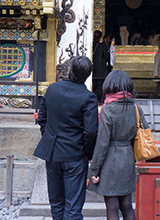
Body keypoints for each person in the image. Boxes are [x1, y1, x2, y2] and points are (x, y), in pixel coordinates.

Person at [34, 56, 99, 220]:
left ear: (70, 71)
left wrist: (50, 137)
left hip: (52, 153)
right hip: (74, 154)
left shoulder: (52, 89)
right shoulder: (88, 97)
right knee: (73, 206)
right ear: (87, 75)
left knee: (56, 203)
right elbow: (90, 131)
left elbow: (42, 119)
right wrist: (88, 152)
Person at [88, 70, 148, 220]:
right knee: (127, 204)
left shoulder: (108, 109)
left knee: (112, 206)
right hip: (128, 157)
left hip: (110, 160)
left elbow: (102, 143)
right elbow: (144, 131)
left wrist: (94, 170)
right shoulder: (135, 108)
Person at [92, 31, 111, 102]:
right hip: (101, 70)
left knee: (94, 86)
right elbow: (106, 56)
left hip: (93, 70)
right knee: (99, 87)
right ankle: (98, 100)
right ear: (100, 37)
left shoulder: (90, 45)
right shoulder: (102, 46)